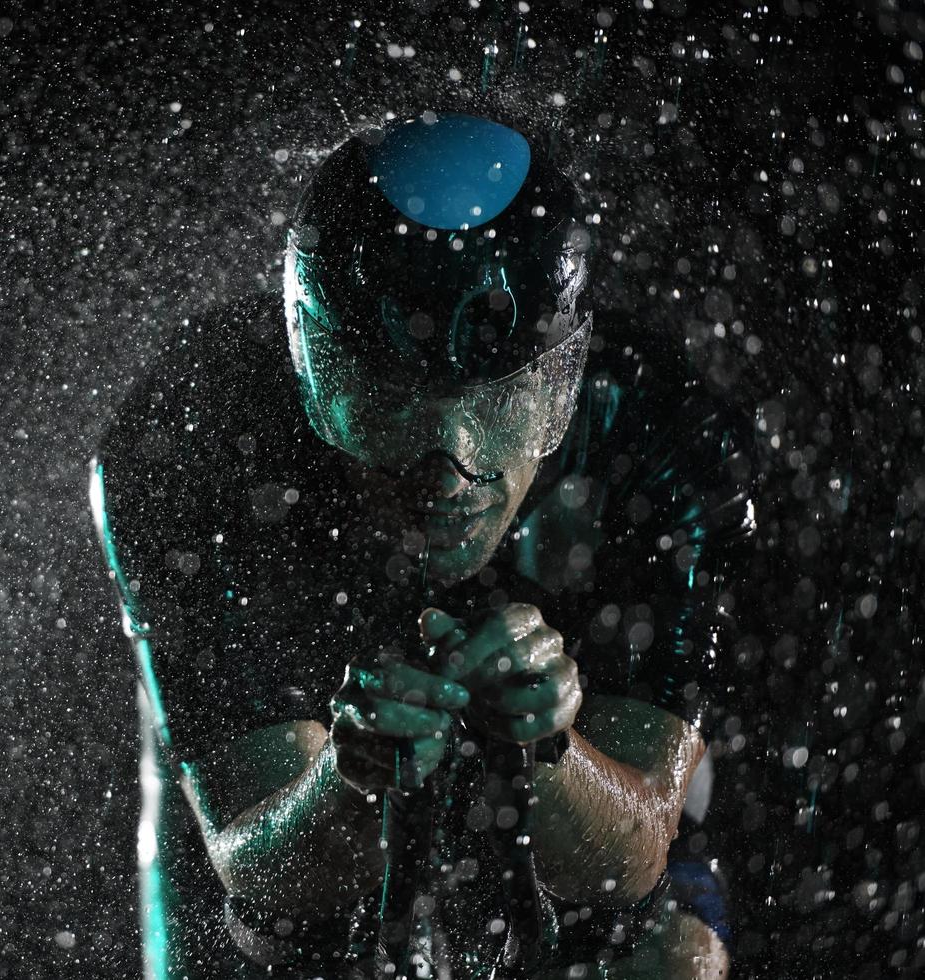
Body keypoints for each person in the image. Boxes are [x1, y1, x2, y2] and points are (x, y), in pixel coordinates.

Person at [89, 111, 755, 979]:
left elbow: (629, 857)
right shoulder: (193, 443)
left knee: (676, 957)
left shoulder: (661, 437)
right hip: (282, 775)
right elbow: (263, 867)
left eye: (496, 401)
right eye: (392, 400)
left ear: (561, 385)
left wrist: (548, 747)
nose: (448, 471)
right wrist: (346, 781)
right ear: (314, 375)